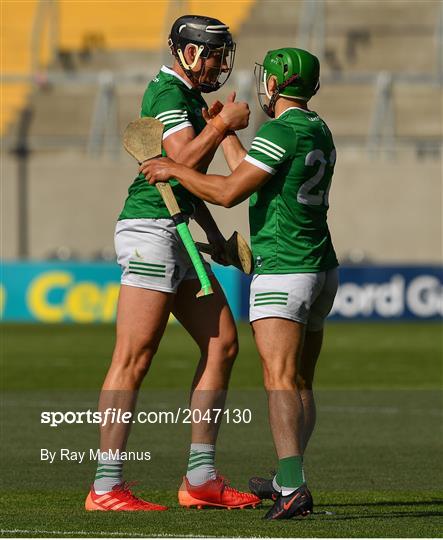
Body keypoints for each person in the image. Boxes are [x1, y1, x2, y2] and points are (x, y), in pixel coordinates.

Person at [141, 47, 339, 520]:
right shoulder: (317, 128)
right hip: (321, 269)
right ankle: (289, 475)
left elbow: (229, 193)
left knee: (279, 381)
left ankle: (292, 486)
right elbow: (253, 173)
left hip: (283, 270)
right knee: (301, 380)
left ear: (274, 84)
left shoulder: (279, 130)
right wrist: (226, 131)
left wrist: (175, 170)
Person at [85, 14, 260, 512]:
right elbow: (179, 167)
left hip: (178, 231)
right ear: (185, 53)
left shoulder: (189, 99)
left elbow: (184, 183)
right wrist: (222, 125)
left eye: (221, 55)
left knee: (223, 344)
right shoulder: (166, 94)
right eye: (211, 54)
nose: (218, 64)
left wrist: (214, 239)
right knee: (133, 357)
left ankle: (201, 479)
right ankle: (104, 487)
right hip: (150, 232)